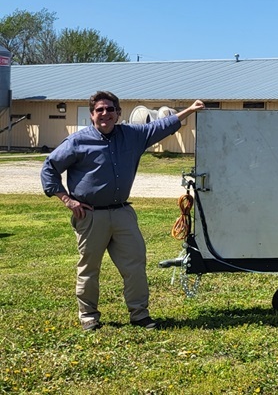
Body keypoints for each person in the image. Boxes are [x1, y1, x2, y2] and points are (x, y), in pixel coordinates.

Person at [40, 91, 205, 331]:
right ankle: (89, 317)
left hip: (122, 214)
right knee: (89, 268)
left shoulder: (132, 135)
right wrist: (67, 199)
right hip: (90, 215)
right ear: (92, 114)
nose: (105, 114)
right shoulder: (77, 141)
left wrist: (189, 110)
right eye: (100, 110)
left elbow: (161, 125)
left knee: (135, 265)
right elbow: (49, 168)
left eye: (109, 109)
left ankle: (140, 314)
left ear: (118, 113)